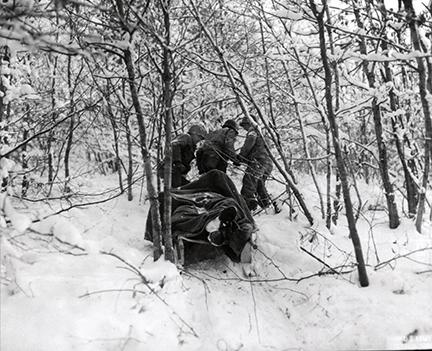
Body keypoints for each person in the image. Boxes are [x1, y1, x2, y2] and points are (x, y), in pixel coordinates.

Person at [145, 170, 256, 263]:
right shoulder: (179, 196)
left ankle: (219, 227)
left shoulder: (227, 193)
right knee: (185, 215)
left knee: (227, 204)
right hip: (202, 206)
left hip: (215, 206)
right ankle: (216, 226)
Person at [236, 116, 273, 212]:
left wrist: (240, 157)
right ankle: (266, 206)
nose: (244, 128)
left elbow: (248, 145)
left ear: (249, 123)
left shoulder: (253, 131)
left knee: (248, 183)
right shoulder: (263, 133)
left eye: (244, 126)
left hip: (258, 161)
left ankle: (247, 209)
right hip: (268, 163)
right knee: (259, 184)